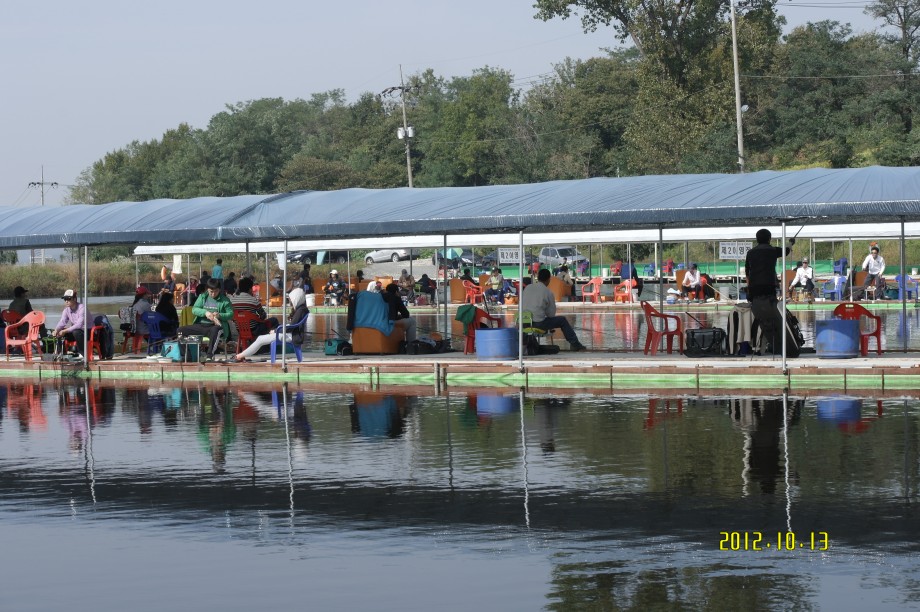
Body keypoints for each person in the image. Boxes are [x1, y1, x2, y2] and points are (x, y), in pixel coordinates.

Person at [745, 228, 797, 356]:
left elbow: (747, 272)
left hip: (754, 289)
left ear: (757, 239)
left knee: (759, 317)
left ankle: (756, 344)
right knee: (771, 316)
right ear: (769, 239)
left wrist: (750, 288)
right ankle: (773, 343)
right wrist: (791, 242)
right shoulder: (773, 250)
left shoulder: (750, 252)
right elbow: (786, 251)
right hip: (768, 287)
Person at [234, 287, 309, 362]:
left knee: (260, 339)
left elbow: (290, 328)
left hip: (291, 336)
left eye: (291, 300)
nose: (290, 303)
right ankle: (241, 355)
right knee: (261, 338)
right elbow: (293, 326)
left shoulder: (300, 311)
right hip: (291, 335)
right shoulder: (302, 310)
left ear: (296, 298)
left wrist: (276, 331)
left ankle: (239, 356)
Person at [521, 269, 587, 351]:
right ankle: (575, 344)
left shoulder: (528, 287)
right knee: (562, 320)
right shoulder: (548, 292)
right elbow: (551, 314)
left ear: (538, 277)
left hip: (522, 323)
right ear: (549, 279)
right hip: (538, 324)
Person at [178, 277, 234, 361]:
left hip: (215, 326)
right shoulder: (202, 297)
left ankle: (209, 356)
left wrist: (219, 315)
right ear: (207, 289)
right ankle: (186, 356)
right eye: (211, 291)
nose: (213, 294)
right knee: (180, 331)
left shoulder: (225, 300)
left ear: (219, 290)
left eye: (216, 291)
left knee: (215, 330)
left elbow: (230, 314)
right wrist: (205, 313)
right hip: (201, 325)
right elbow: (194, 309)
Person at [53, 289, 93, 358]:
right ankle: (62, 354)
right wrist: (56, 330)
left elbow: (79, 325)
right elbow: (62, 321)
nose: (66, 301)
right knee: (59, 333)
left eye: (68, 299)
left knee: (76, 332)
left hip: (88, 332)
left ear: (74, 299)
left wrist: (65, 331)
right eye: (65, 299)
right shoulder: (66, 310)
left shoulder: (82, 308)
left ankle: (82, 355)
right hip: (76, 331)